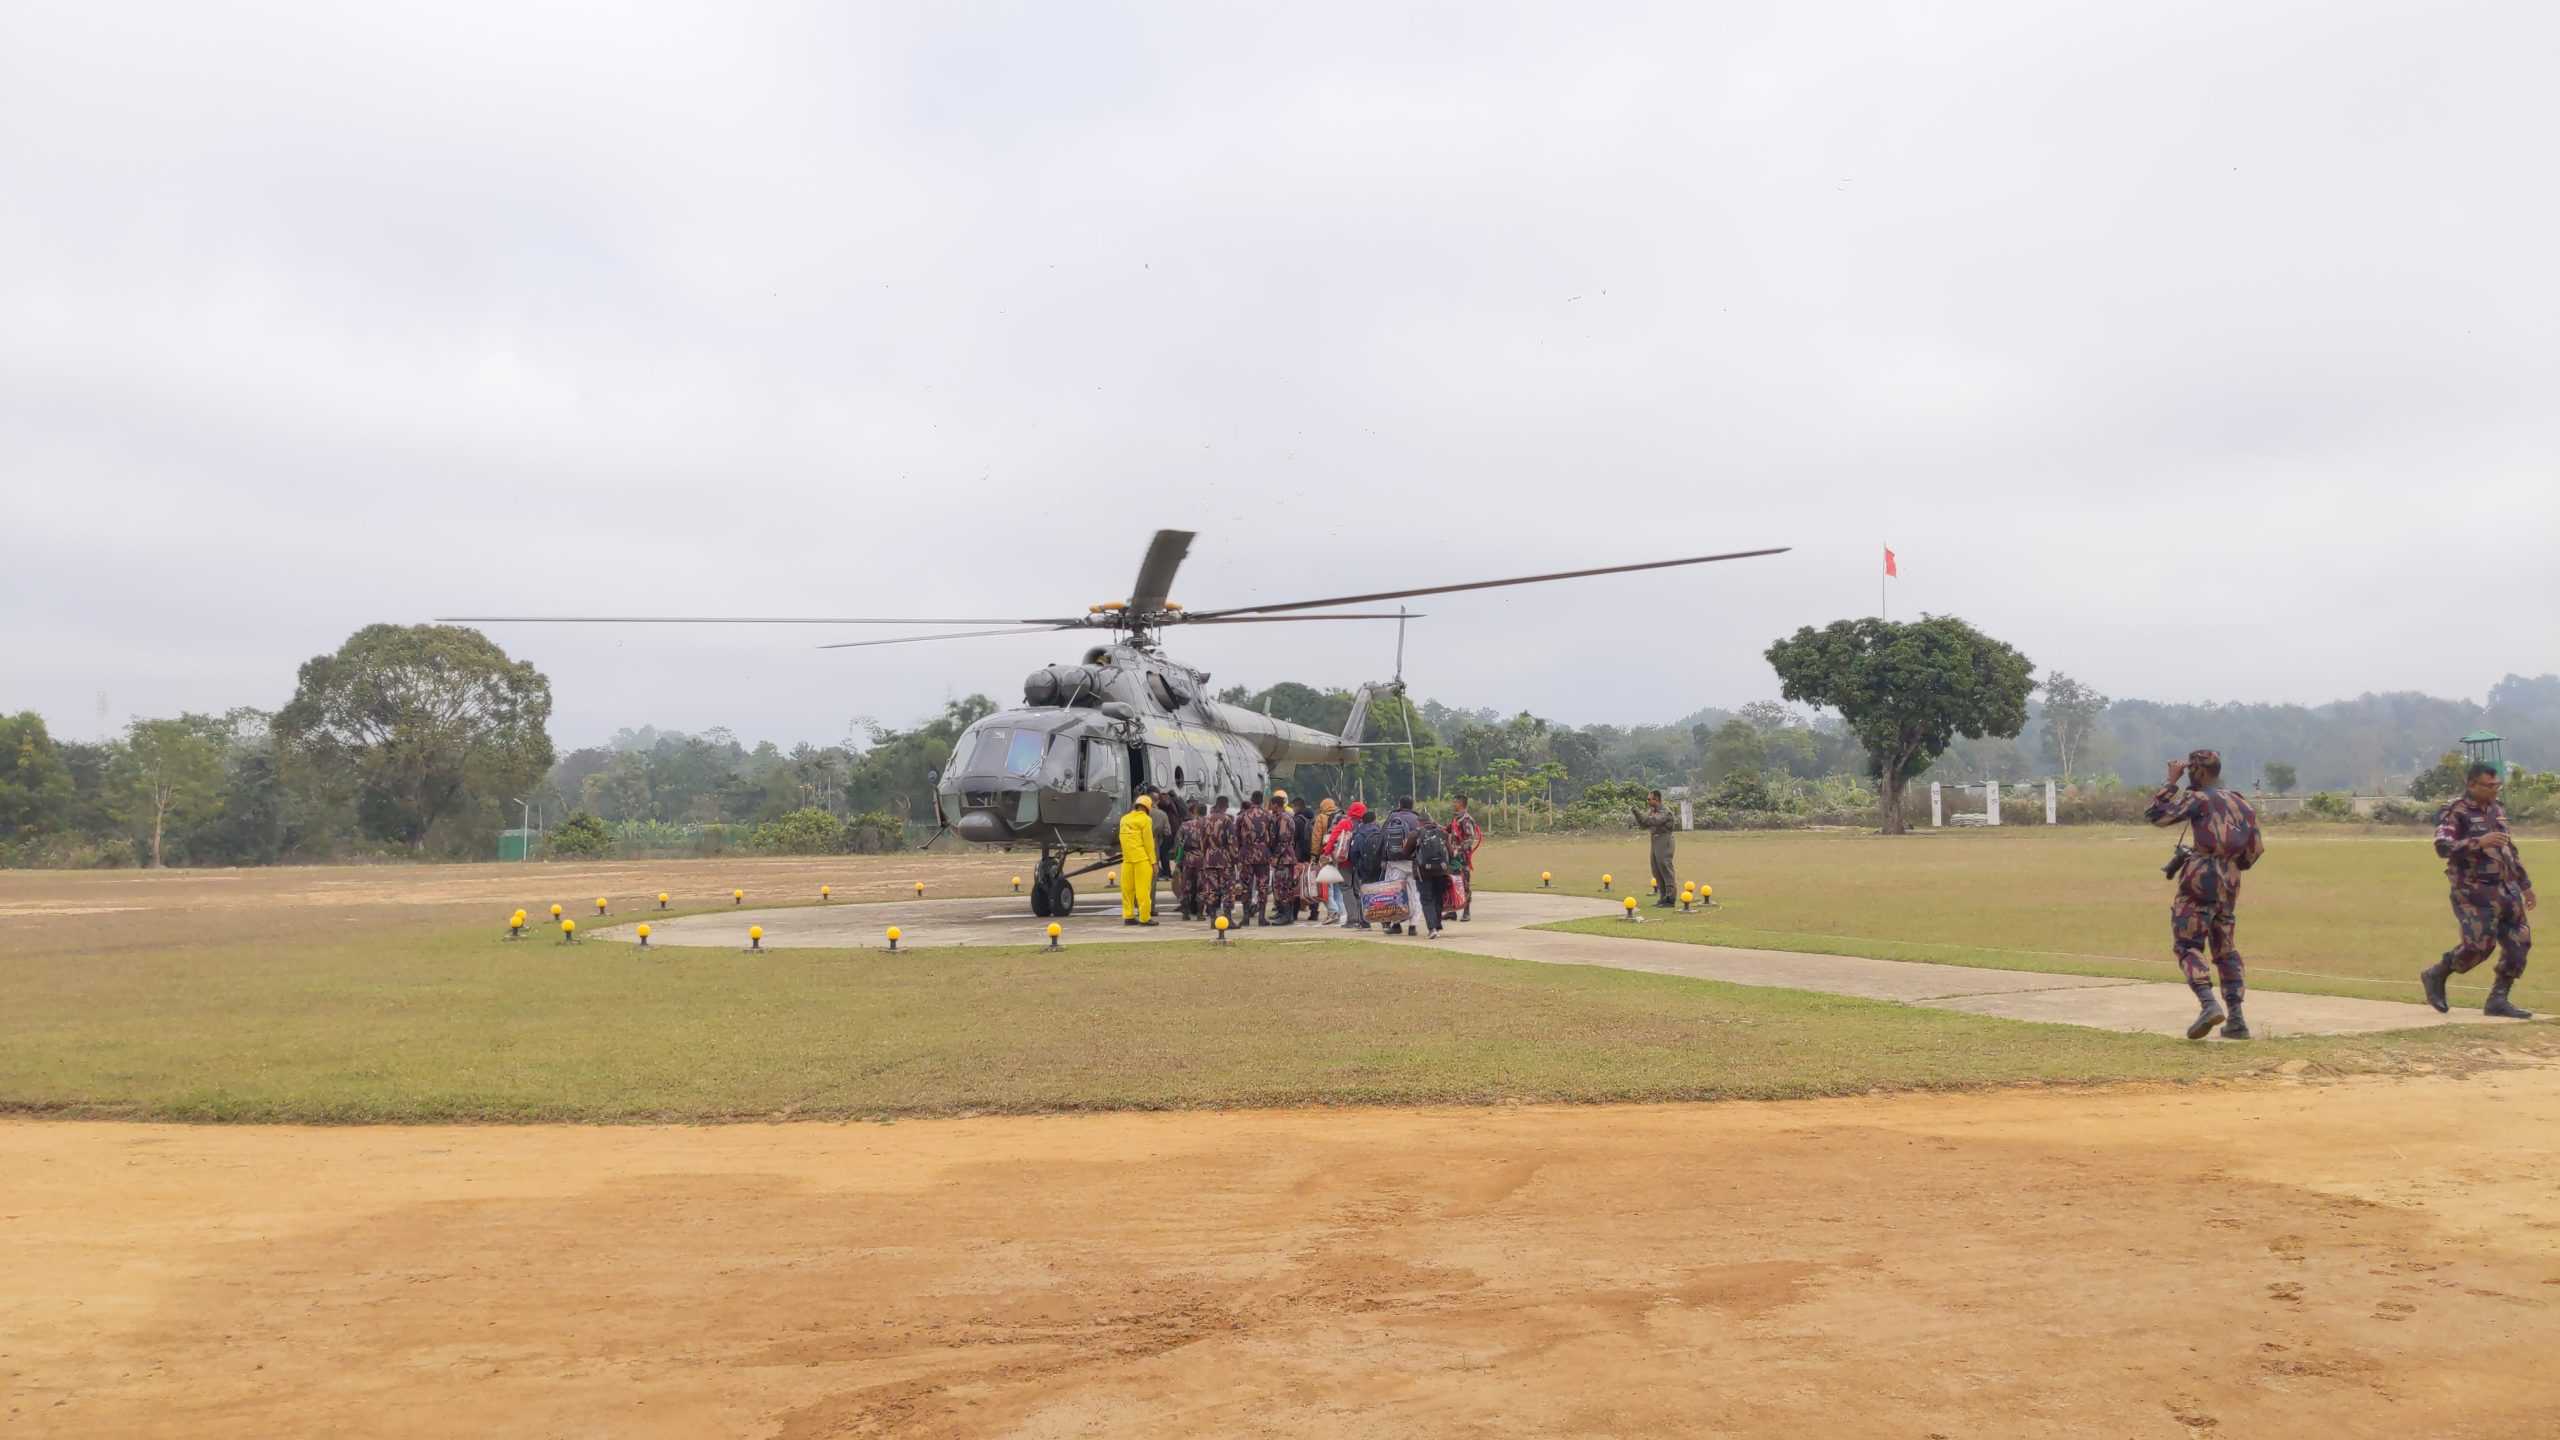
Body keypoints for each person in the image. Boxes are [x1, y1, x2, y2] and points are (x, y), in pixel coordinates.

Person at [2146, 750, 2265, 1039]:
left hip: (2201, 877)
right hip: (2231, 880)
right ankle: (2236, 1019)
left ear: (2197, 772)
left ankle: (2208, 1004)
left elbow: (2157, 816)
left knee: (2188, 945)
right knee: (2225, 949)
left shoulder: (2199, 799)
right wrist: (2231, 865)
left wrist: (2171, 783)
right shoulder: (2241, 802)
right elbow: (2255, 850)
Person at [2419, 761, 2537, 1018]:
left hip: (2506, 888)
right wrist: (2478, 842)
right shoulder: (2456, 812)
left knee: (2520, 943)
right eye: (2489, 785)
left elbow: (2509, 850)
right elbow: (2442, 847)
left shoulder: (2497, 810)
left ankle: (2498, 1000)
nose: (2495, 789)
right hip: (2474, 891)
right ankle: (2437, 973)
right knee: (2479, 946)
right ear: (2472, 784)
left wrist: (2525, 885)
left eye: (2497, 784)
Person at [1380, 796, 1429, 937]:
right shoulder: (1417, 819)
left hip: (1395, 862)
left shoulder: (1392, 817)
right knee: (1414, 893)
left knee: (1396, 894)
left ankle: (1396, 924)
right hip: (1413, 862)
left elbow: (1383, 838)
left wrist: (1383, 858)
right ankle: (1413, 925)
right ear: (1412, 806)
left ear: (1399, 804)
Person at [1631, 791, 1679, 907]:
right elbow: (1644, 824)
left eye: (1649, 799)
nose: (1648, 801)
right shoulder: (1653, 811)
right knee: (1656, 870)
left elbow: (1653, 821)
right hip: (1655, 840)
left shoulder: (1665, 812)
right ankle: (1663, 897)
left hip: (1665, 840)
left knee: (1665, 867)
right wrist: (1636, 814)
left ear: (1656, 799)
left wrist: (1638, 812)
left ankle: (1670, 898)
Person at [1116, 794, 1158, 926]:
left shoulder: (1124, 819)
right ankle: (1144, 918)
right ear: (1147, 807)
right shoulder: (1146, 820)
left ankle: (1128, 916)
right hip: (1141, 859)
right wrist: (1153, 862)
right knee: (1143, 891)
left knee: (1127, 890)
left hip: (1127, 860)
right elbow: (1148, 842)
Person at [1235, 790, 1273, 925]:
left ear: (1251, 800)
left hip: (1246, 853)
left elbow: (1237, 837)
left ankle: (1245, 917)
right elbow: (1272, 837)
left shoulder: (1242, 816)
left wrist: (1240, 851)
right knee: (1262, 885)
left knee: (1246, 885)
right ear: (1261, 800)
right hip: (1263, 854)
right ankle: (1262, 917)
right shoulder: (1268, 816)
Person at [1413, 814, 1454, 937]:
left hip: (1423, 872)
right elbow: (1451, 853)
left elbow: (1405, 852)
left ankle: (1432, 929)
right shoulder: (1443, 833)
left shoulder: (1416, 834)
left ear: (1420, 822)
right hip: (1441, 871)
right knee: (1438, 897)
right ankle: (1437, 924)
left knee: (1427, 899)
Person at [1198, 796, 1237, 926]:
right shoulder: (1227, 820)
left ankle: (1213, 919)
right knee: (1227, 889)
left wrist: (1206, 855)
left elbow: (1202, 841)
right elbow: (1231, 842)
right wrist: (1234, 858)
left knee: (1211, 889)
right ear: (1225, 806)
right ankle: (1228, 918)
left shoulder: (1205, 820)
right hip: (1224, 858)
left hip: (1209, 858)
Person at [1267, 793, 1303, 925]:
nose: (1270, 807)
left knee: (1282, 887)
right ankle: (1284, 914)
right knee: (1282, 886)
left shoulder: (1283, 819)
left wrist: (1275, 857)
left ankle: (1286, 915)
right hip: (1284, 857)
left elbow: (1283, 840)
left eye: (1271, 805)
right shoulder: (1281, 817)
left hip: (1284, 858)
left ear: (1276, 805)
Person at [1447, 793, 1481, 922]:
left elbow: (1470, 839)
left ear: (1461, 804)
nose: (1453, 804)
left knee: (1464, 883)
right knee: (1451, 882)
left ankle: (1466, 911)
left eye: (1455, 802)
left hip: (1462, 858)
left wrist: (1458, 850)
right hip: (1452, 857)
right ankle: (1452, 911)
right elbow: (1448, 830)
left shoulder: (1466, 820)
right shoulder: (1456, 818)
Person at [1175, 803, 1207, 921]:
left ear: (1195, 812)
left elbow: (1179, 844)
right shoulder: (1208, 825)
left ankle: (1185, 913)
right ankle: (1199, 914)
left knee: (1186, 886)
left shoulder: (1185, 825)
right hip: (1203, 859)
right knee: (1202, 887)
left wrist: (1178, 860)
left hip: (1188, 859)